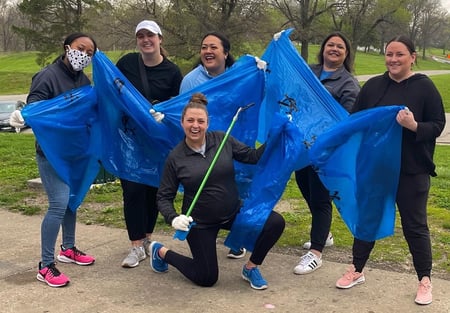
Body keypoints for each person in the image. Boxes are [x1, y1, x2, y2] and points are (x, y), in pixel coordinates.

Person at [335, 35, 445, 306]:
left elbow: (438, 124)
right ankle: (357, 270)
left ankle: (424, 280)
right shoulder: (373, 86)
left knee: (415, 226)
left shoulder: (424, 87)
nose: (393, 59)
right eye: (389, 54)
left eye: (399, 54)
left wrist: (414, 126)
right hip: (376, 169)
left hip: (412, 170)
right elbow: (355, 121)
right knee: (368, 220)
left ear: (412, 57)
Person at [151, 93, 285, 290]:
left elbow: (253, 156)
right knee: (206, 278)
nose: (195, 125)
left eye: (200, 121)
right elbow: (163, 196)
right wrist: (173, 218)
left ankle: (250, 267)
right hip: (200, 223)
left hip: (233, 213)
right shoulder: (176, 158)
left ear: (208, 123)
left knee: (275, 222)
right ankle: (161, 252)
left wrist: (276, 136)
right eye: (190, 120)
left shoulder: (222, 140)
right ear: (182, 123)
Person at [10, 33, 98, 287]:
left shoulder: (83, 80)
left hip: (74, 152)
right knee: (59, 203)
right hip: (50, 153)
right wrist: (24, 114)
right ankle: (45, 265)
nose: (84, 55)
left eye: (90, 53)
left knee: (72, 201)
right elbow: (35, 107)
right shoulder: (47, 76)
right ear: (67, 48)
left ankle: (68, 248)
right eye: (81, 48)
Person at [116, 20, 182, 268]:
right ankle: (135, 246)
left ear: (160, 39)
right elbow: (112, 90)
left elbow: (178, 106)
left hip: (158, 143)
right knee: (132, 191)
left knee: (153, 191)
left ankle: (146, 239)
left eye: (150, 36)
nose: (146, 40)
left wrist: (164, 115)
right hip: (130, 141)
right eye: (141, 36)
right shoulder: (127, 64)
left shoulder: (173, 72)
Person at [293, 32, 360, 275]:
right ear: (322, 49)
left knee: (321, 198)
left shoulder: (348, 83)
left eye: (340, 47)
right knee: (305, 185)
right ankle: (325, 234)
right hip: (303, 146)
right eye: (330, 44)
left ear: (346, 53)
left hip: (327, 151)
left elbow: (347, 119)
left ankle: (316, 253)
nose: (334, 49)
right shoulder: (309, 72)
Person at [179, 31, 246, 259]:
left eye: (213, 47)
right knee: (207, 190)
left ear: (225, 53)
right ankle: (204, 232)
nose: (207, 51)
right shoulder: (190, 80)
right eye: (204, 47)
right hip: (202, 147)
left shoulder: (239, 77)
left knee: (237, 191)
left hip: (233, 144)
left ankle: (236, 240)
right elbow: (182, 112)